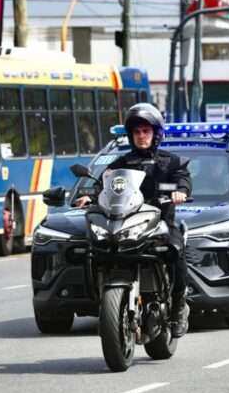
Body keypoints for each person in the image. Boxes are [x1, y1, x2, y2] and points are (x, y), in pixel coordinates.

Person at [74, 103, 192, 337]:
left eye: (145, 131)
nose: (141, 136)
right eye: (137, 132)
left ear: (155, 134)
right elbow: (106, 186)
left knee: (175, 250)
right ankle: (101, 300)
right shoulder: (120, 164)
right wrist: (90, 196)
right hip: (126, 223)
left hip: (159, 222)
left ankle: (179, 306)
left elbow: (182, 181)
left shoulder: (171, 162)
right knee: (91, 248)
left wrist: (180, 191)